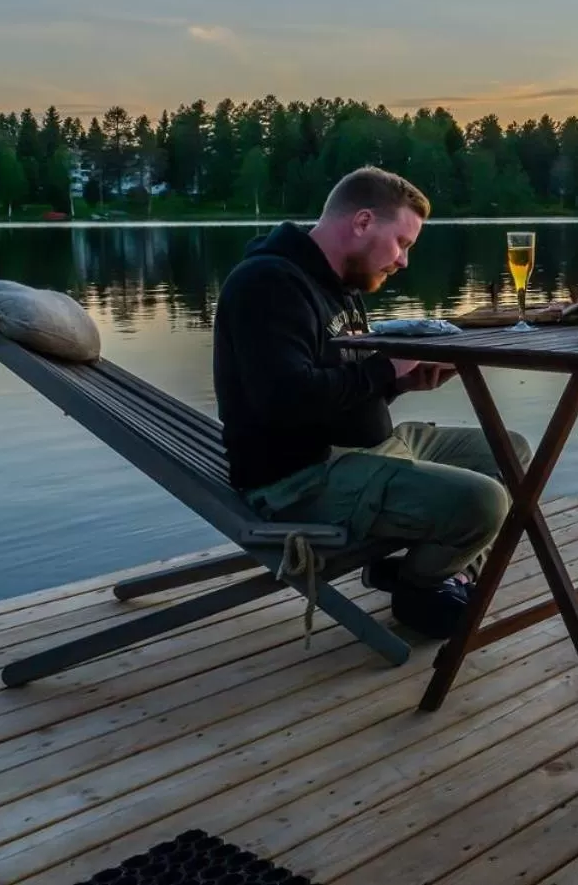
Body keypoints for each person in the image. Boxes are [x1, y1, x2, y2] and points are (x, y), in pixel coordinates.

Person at [213, 166, 525, 638]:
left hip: (364, 451)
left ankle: (438, 574)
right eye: (401, 243)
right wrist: (384, 368)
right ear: (362, 222)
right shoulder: (267, 285)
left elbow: (341, 381)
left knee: (510, 449)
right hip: (303, 480)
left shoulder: (340, 286)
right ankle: (422, 588)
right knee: (485, 501)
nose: (402, 262)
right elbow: (283, 401)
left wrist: (402, 382)